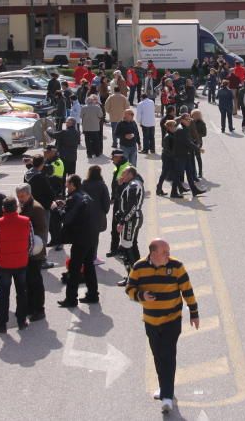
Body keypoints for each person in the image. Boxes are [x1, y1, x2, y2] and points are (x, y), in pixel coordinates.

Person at [126, 238, 199, 415]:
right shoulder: (139, 267)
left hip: (171, 321)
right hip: (151, 322)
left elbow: (187, 290)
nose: (168, 254)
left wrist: (194, 313)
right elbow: (129, 289)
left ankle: (167, 396)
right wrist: (141, 295)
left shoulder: (176, 266)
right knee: (158, 356)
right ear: (153, 253)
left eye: (168, 251)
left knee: (168, 355)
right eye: (164, 252)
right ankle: (164, 387)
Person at [0, 196, 33, 332]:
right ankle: (21, 320)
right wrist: (25, 255)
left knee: (4, 295)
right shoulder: (26, 222)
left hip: (4, 265)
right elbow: (31, 243)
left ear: (3, 209)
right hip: (21, 263)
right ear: (16, 207)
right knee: (21, 293)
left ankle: (2, 323)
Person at [56, 174, 100, 307]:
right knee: (89, 266)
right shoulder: (86, 196)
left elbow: (67, 219)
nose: (66, 187)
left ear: (73, 185)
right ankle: (93, 294)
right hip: (91, 236)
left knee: (74, 269)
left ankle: (71, 299)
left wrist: (59, 209)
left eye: (67, 185)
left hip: (81, 239)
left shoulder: (74, 198)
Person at [114, 166, 146, 287]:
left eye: (124, 173)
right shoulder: (131, 183)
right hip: (131, 219)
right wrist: (120, 184)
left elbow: (132, 207)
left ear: (130, 174)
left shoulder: (133, 185)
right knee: (131, 246)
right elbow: (121, 198)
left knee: (127, 248)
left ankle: (133, 278)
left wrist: (123, 221)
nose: (122, 175)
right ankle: (138, 275)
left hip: (131, 220)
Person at [81, 165, 111, 266]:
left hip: (85, 214)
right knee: (94, 238)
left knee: (85, 236)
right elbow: (106, 201)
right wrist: (105, 211)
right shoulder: (102, 185)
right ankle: (93, 257)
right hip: (97, 216)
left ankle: (84, 256)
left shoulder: (84, 184)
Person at [173, 113, 204, 197]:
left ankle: (194, 190)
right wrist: (198, 149)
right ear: (182, 120)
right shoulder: (181, 129)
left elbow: (188, 141)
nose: (189, 121)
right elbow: (188, 142)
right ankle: (173, 192)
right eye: (187, 119)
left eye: (190, 119)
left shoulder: (185, 128)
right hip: (180, 155)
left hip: (186, 154)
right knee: (178, 174)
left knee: (189, 173)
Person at [156, 121, 179, 197]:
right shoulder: (168, 137)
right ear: (169, 127)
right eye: (174, 126)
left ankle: (159, 188)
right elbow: (169, 150)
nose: (175, 127)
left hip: (169, 157)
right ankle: (173, 192)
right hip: (168, 157)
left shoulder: (172, 135)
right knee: (168, 173)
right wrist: (175, 157)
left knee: (165, 173)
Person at [189, 110, 207, 178]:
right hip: (191, 141)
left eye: (194, 115)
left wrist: (197, 135)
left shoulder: (202, 123)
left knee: (198, 157)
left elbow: (205, 134)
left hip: (198, 142)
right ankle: (194, 172)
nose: (193, 116)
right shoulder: (190, 122)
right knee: (191, 158)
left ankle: (200, 172)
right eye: (192, 115)